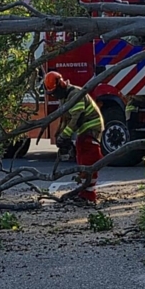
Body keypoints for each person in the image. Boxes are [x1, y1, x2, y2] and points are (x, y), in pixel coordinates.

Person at [44, 71, 105, 204]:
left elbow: (76, 119)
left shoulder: (74, 94)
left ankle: (89, 195)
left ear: (60, 84)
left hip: (91, 128)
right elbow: (65, 119)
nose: (54, 96)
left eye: (54, 92)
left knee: (89, 159)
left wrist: (65, 135)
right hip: (84, 130)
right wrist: (59, 135)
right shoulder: (64, 98)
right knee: (81, 156)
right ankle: (84, 192)